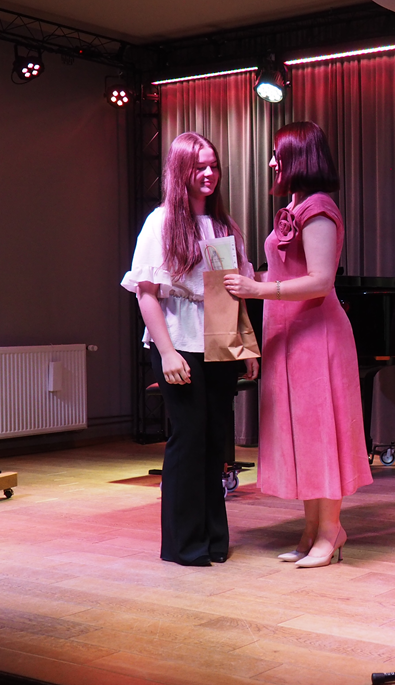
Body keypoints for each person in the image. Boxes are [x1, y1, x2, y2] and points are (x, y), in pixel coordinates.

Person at [224, 121, 372, 569]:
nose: (272, 162)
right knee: (304, 436)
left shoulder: (319, 208)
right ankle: (312, 530)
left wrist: (257, 289)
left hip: (316, 335)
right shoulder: (295, 206)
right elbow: (284, 273)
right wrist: (247, 278)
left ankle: (330, 531)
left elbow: (320, 281)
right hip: (288, 333)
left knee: (320, 433)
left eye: (278, 154)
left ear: (299, 158)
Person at [121, 132, 258, 567]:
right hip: (179, 342)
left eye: (214, 165)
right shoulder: (160, 222)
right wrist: (166, 352)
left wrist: (246, 347)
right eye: (199, 166)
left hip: (219, 342)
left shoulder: (223, 225)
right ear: (181, 170)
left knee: (216, 442)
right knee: (189, 438)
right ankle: (183, 544)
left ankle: (213, 539)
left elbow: (233, 294)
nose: (209, 174)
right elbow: (146, 294)